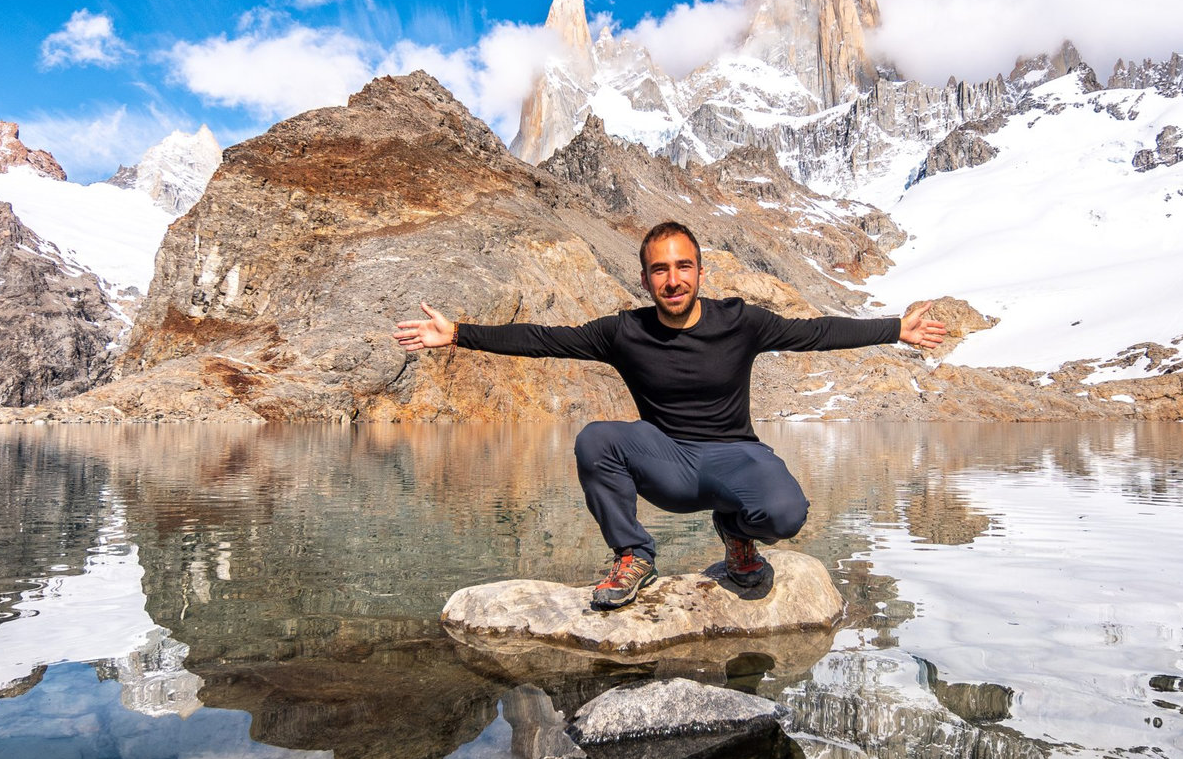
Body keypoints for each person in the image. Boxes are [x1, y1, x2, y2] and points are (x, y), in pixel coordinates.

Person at [393, 221, 946, 608]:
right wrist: (459, 335)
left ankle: (737, 534)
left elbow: (817, 333)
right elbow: (544, 339)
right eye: (660, 270)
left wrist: (896, 329)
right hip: (669, 464)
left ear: (701, 271)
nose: (673, 279)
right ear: (645, 280)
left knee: (786, 515)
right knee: (595, 440)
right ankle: (633, 555)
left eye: (683, 266)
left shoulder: (741, 321)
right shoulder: (624, 331)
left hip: (736, 456)